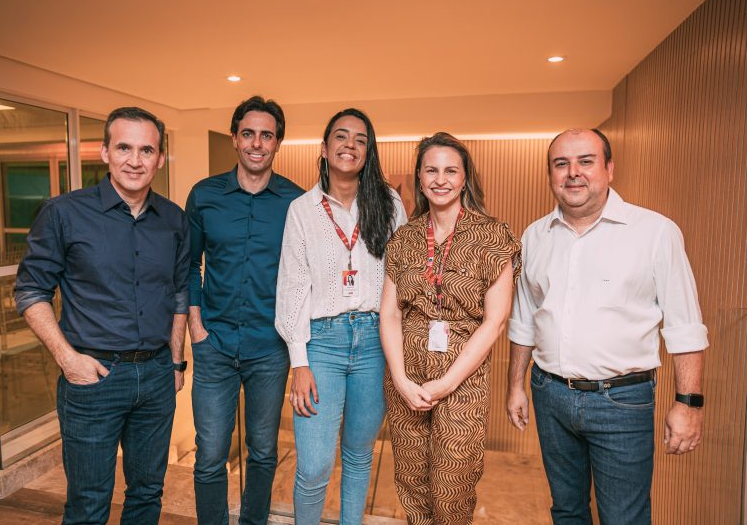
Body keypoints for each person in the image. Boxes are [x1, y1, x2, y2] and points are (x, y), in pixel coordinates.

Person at [506, 128, 708, 524]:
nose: (572, 173)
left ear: (609, 169)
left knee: (623, 518)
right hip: (550, 395)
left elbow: (685, 325)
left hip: (622, 403)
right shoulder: (535, 236)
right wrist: (515, 385)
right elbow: (525, 319)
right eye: (561, 164)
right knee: (566, 511)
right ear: (550, 174)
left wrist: (689, 404)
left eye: (586, 161)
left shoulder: (655, 233)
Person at [15, 106, 190, 524]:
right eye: (124, 147)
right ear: (105, 152)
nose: (135, 160)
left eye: (146, 150)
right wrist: (67, 359)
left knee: (147, 494)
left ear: (160, 158)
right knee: (89, 503)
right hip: (93, 378)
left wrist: (177, 359)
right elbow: (30, 290)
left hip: (155, 377)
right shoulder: (64, 213)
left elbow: (180, 291)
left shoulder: (174, 220)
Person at [380, 132, 520, 524]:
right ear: (420, 178)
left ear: (464, 177)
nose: (440, 179)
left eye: (450, 170)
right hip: (405, 374)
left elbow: (495, 322)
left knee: (453, 485)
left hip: (463, 378)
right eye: (431, 170)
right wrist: (401, 378)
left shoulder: (493, 236)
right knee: (410, 482)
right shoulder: (405, 237)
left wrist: (446, 383)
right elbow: (390, 314)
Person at [275, 108, 406, 524]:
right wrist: (300, 363)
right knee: (313, 467)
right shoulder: (302, 209)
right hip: (322, 345)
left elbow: (403, 276)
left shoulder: (389, 204)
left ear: (369, 152)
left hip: (374, 343)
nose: (350, 145)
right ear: (325, 146)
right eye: (341, 136)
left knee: (358, 455)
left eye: (360, 139)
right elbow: (292, 287)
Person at [186, 96, 303, 525]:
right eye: (248, 133)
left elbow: (303, 276)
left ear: (278, 143)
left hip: (270, 349)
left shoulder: (297, 202)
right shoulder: (203, 195)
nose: (257, 143)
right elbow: (188, 265)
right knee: (210, 454)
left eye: (266, 135)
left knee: (264, 451)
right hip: (213, 344)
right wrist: (196, 327)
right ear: (235, 138)